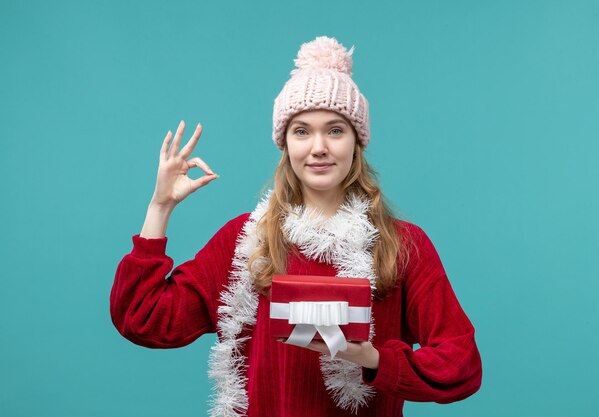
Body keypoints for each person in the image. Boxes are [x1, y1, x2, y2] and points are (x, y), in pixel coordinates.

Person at [110, 35, 482, 417]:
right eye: (302, 131)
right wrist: (160, 206)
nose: (318, 146)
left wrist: (373, 359)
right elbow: (143, 318)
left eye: (335, 130)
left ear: (357, 142)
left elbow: (461, 365)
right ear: (285, 144)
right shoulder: (244, 241)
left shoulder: (403, 244)